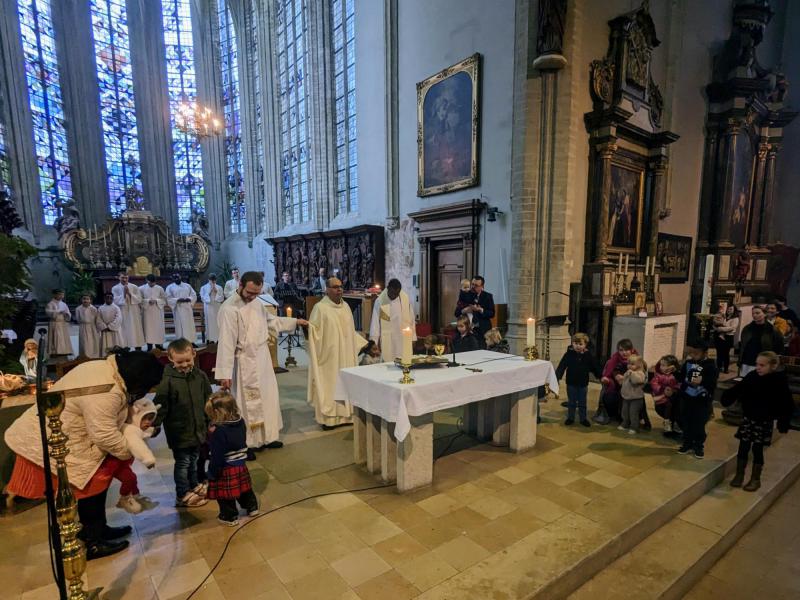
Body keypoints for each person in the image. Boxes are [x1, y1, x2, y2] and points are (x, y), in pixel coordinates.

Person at [4, 350, 164, 560]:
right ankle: (92, 542)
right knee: (91, 487)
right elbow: (104, 434)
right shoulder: (108, 391)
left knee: (96, 486)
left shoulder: (105, 368)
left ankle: (99, 530)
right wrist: (129, 451)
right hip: (51, 440)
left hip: (65, 435)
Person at [216, 271, 306, 452]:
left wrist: (295, 321)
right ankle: (250, 442)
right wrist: (224, 374)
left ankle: (269, 436)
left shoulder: (257, 303)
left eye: (256, 293)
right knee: (246, 403)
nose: (252, 297)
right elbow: (226, 343)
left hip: (262, 358)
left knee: (268, 398)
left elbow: (272, 321)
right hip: (244, 361)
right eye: (249, 292)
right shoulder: (229, 309)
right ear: (240, 285)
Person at [721, 351, 793, 491]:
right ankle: (739, 475)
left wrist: (783, 422)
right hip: (749, 418)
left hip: (764, 420)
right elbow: (740, 388)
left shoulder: (778, 380)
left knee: (757, 449)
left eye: (762, 365)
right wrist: (728, 396)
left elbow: (786, 402)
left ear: (773, 366)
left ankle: (755, 479)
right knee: (743, 446)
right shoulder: (752, 376)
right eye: (757, 364)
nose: (758, 367)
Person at [153, 338, 212, 507]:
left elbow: (208, 399)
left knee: (194, 460)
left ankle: (193, 485)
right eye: (180, 362)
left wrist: (211, 420)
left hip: (198, 429)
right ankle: (182, 493)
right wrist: (155, 423)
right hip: (179, 432)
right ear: (171, 359)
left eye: (188, 360)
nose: (185, 364)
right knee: (183, 464)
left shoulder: (200, 376)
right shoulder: (168, 381)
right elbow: (161, 405)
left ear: (194, 354)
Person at [307, 277, 367, 428]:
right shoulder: (320, 308)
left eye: (340, 286)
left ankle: (347, 417)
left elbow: (350, 332)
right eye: (334, 287)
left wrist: (364, 344)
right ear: (326, 289)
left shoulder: (346, 306)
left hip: (346, 355)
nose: (339, 289)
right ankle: (329, 420)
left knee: (346, 383)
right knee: (331, 385)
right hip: (329, 358)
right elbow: (313, 334)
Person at [205, 391, 260, 526]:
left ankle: (229, 516)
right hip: (240, 463)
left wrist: (212, 472)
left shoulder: (219, 431)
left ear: (218, 412)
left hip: (226, 466)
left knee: (225, 494)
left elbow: (217, 455)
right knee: (245, 488)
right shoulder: (240, 421)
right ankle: (252, 507)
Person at [115, 397, 160, 514]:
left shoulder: (131, 427)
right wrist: (148, 460)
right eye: (145, 418)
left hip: (122, 462)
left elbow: (141, 432)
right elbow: (137, 445)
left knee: (132, 478)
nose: (148, 422)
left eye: (151, 419)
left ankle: (136, 495)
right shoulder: (130, 430)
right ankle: (124, 499)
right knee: (130, 478)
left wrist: (151, 431)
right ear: (135, 416)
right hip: (115, 464)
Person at [677, 340, 718, 459]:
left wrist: (703, 381)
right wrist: (674, 372)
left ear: (705, 353)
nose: (693, 356)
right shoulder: (688, 363)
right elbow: (682, 377)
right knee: (686, 421)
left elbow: (712, 383)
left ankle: (698, 445)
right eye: (692, 353)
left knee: (699, 423)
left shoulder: (710, 365)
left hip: (701, 400)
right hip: (687, 397)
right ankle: (687, 443)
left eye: (696, 353)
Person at [555, 333, 601, 427]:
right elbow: (562, 366)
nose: (577, 346)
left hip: (583, 383)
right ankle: (570, 418)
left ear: (585, 345)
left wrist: (600, 376)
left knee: (582, 401)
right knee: (571, 401)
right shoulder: (568, 354)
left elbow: (594, 367)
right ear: (572, 343)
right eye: (575, 343)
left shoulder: (588, 355)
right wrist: (557, 377)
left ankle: (583, 418)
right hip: (571, 382)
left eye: (580, 344)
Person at [369, 278, 417, 362]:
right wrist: (374, 342)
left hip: (403, 337)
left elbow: (411, 320)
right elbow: (375, 323)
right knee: (388, 362)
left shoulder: (405, 299)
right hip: (388, 338)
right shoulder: (380, 301)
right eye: (392, 293)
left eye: (397, 294)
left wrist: (413, 338)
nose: (394, 296)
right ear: (388, 288)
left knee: (404, 361)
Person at [599, 339, 638, 423]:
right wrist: (608, 380)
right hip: (616, 387)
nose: (624, 352)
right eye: (621, 350)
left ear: (631, 350)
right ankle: (614, 415)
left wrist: (627, 379)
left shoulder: (637, 360)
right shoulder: (614, 360)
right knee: (609, 397)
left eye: (626, 350)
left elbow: (643, 377)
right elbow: (607, 375)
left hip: (632, 388)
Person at [739, 306, 784, 376]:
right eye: (753, 313)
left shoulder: (772, 329)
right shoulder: (747, 328)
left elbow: (778, 346)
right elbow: (743, 345)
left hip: (763, 362)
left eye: (757, 313)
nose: (754, 315)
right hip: (747, 361)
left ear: (765, 314)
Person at [454, 276, 495, 344]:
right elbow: (456, 313)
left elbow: (492, 313)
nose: (473, 287)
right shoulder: (465, 294)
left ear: (482, 286)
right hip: (465, 330)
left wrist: (480, 310)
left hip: (482, 330)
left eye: (476, 285)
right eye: (472, 284)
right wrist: (464, 310)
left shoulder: (488, 296)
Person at [112, 273, 145, 350]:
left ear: (128, 278)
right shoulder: (115, 288)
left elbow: (139, 299)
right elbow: (114, 300)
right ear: (119, 278)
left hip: (134, 310)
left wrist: (130, 294)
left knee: (135, 327)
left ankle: (138, 345)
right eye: (122, 277)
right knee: (124, 327)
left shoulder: (134, 286)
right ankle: (125, 346)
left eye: (126, 278)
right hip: (122, 310)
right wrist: (123, 294)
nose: (124, 279)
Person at [651, 355, 681, 436]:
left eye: (664, 365)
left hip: (672, 397)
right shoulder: (658, 375)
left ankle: (674, 424)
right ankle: (667, 422)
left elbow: (679, 384)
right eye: (661, 365)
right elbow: (654, 384)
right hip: (662, 399)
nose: (661, 367)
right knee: (668, 405)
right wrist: (662, 389)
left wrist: (674, 390)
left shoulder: (675, 376)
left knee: (674, 407)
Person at [618, 355, 647, 435]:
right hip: (627, 397)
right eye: (628, 363)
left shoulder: (640, 373)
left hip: (636, 398)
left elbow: (636, 381)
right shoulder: (628, 372)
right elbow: (624, 381)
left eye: (632, 364)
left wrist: (632, 374)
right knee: (625, 411)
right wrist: (621, 378)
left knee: (633, 413)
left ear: (639, 365)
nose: (629, 366)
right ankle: (625, 423)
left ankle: (634, 427)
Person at [166, 273, 197, 345]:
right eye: (175, 278)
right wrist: (177, 300)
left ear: (180, 277)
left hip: (187, 308)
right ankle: (181, 343)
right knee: (179, 326)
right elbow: (168, 298)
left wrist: (189, 299)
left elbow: (193, 294)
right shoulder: (170, 287)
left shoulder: (187, 285)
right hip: (178, 309)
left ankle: (191, 342)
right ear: (173, 279)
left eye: (178, 277)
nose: (177, 279)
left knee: (189, 326)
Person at [139, 274, 167, 351]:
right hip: (147, 312)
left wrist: (156, 301)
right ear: (146, 280)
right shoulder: (141, 288)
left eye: (153, 282)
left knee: (158, 328)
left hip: (157, 311)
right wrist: (147, 301)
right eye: (150, 282)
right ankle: (149, 346)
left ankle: (158, 345)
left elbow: (164, 299)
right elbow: (139, 300)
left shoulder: (160, 288)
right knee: (148, 329)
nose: (152, 284)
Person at [46, 288, 73, 356]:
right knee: (55, 337)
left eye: (62, 295)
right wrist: (58, 311)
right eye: (60, 294)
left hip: (62, 323)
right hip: (54, 323)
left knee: (63, 338)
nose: (61, 296)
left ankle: (65, 350)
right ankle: (54, 352)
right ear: (55, 295)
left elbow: (68, 313)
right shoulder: (50, 304)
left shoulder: (64, 304)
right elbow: (48, 312)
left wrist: (67, 314)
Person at [712, 304, 739, 373]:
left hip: (728, 338)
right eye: (728, 309)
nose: (729, 311)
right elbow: (717, 322)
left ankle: (726, 368)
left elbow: (732, 328)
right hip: (719, 337)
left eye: (731, 309)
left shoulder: (735, 318)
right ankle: (719, 367)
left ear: (734, 310)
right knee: (719, 353)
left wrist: (720, 329)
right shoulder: (724, 316)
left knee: (726, 354)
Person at [200, 273, 224, 343]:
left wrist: (216, 292)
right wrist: (209, 292)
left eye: (214, 280)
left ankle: (218, 339)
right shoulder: (204, 287)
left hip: (217, 307)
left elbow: (222, 298)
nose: (213, 282)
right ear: (209, 280)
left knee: (217, 322)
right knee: (209, 323)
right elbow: (202, 298)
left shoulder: (219, 287)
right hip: (209, 308)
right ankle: (210, 339)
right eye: (211, 280)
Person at [75, 294, 100, 358]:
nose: (85, 300)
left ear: (90, 300)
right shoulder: (78, 309)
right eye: (84, 299)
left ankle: (94, 356)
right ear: (81, 300)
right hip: (83, 327)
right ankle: (84, 356)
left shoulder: (94, 309)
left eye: (87, 299)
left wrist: (97, 328)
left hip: (92, 327)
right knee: (84, 342)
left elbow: (97, 319)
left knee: (93, 341)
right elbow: (78, 319)